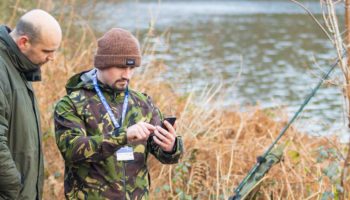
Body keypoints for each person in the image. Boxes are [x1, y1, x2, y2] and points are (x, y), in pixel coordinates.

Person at [54, 28, 183, 199]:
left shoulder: (143, 103)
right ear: (102, 64)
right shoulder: (71, 104)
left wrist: (170, 147)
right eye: (121, 67)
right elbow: (72, 150)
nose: (127, 75)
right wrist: (124, 136)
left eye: (132, 68)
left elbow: (166, 156)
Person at [0, 9, 62, 200]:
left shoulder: (20, 65)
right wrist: (13, 187)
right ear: (24, 42)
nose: (52, 58)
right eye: (46, 51)